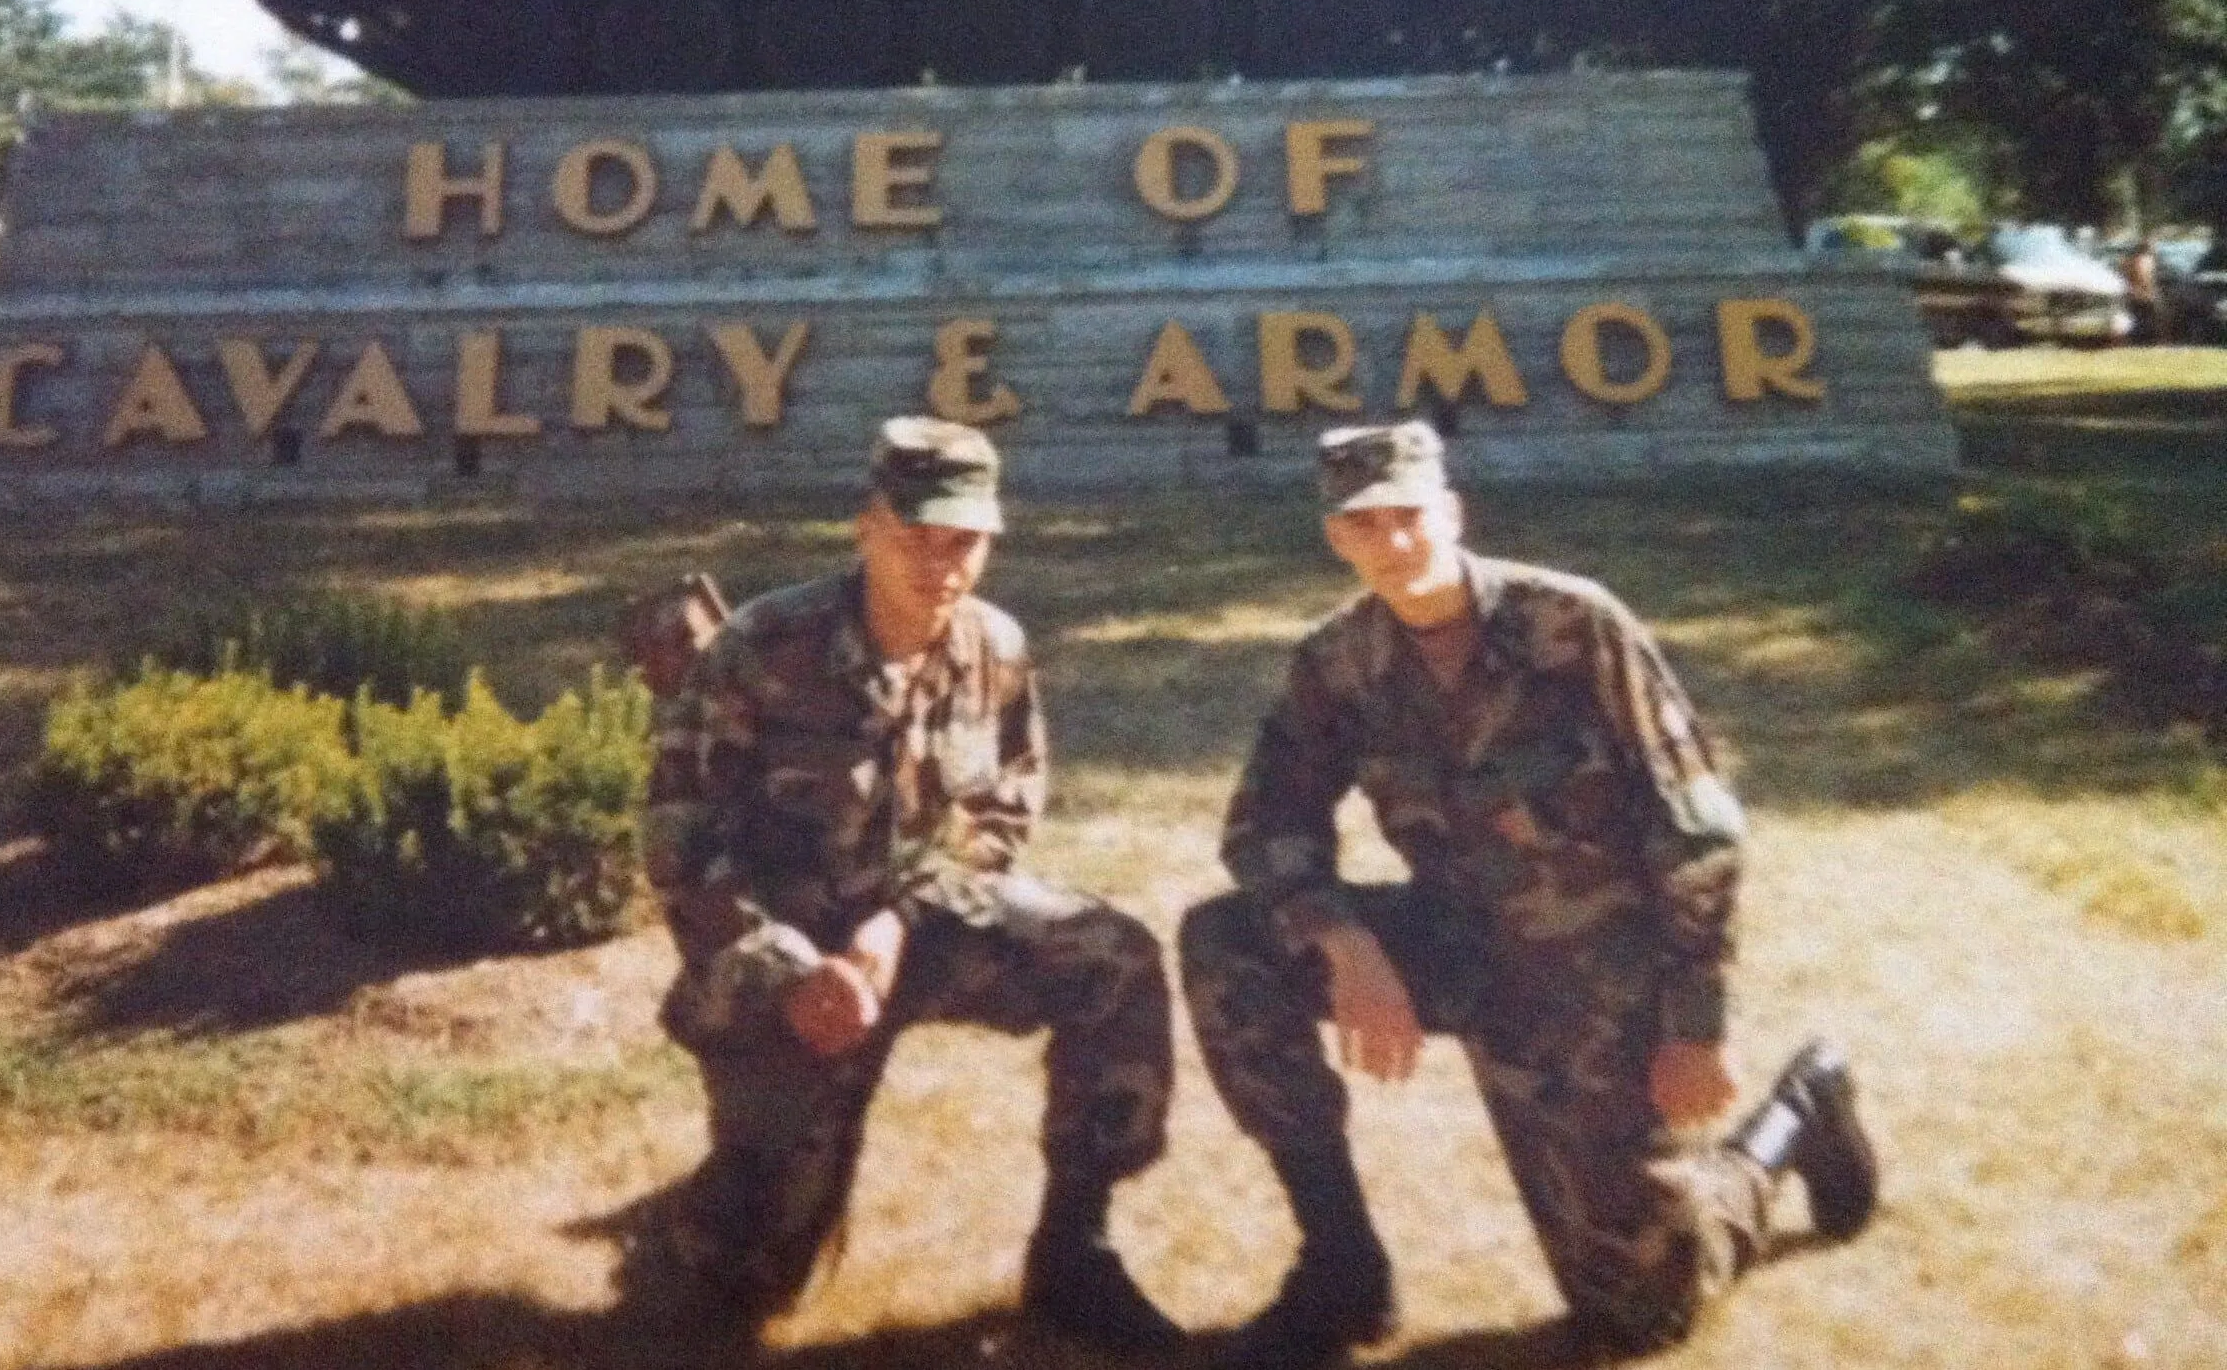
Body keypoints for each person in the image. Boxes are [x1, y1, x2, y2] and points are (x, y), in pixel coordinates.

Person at [1179, 422, 1878, 1364]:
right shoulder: (1338, 663)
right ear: (1336, 539)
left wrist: (1692, 1022)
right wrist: (1348, 948)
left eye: (1410, 518)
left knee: (1639, 1311)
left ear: (1452, 514)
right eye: (1364, 525)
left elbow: (1699, 827)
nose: (1393, 544)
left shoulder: (1573, 625)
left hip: (1595, 975)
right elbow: (1265, 826)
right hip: (1454, 940)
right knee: (1228, 942)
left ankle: (1795, 1114)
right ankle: (1341, 1268)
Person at [645, 415, 1181, 1351]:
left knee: (1115, 957)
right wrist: (793, 969)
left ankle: (1075, 1251)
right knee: (756, 1283)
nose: (942, 566)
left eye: (964, 542)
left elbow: (1006, 806)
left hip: (921, 935)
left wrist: (896, 922)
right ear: (867, 526)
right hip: (786, 963)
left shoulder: (995, 647)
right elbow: (681, 843)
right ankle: (729, 1202)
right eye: (916, 538)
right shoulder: (764, 648)